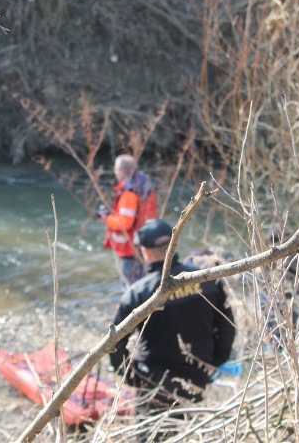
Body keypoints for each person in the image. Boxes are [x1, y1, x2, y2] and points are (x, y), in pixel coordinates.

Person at [110, 219, 236, 411]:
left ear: (145, 251)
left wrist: (136, 377)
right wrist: (214, 363)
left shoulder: (138, 294)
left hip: (154, 383)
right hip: (197, 376)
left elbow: (114, 346)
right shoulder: (207, 280)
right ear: (174, 244)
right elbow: (227, 327)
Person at [96, 154, 157, 288]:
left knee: (132, 289)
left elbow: (125, 223)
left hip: (130, 249)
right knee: (146, 287)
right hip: (145, 243)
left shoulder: (129, 192)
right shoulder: (145, 185)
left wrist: (106, 219)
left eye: (116, 170)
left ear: (122, 171)